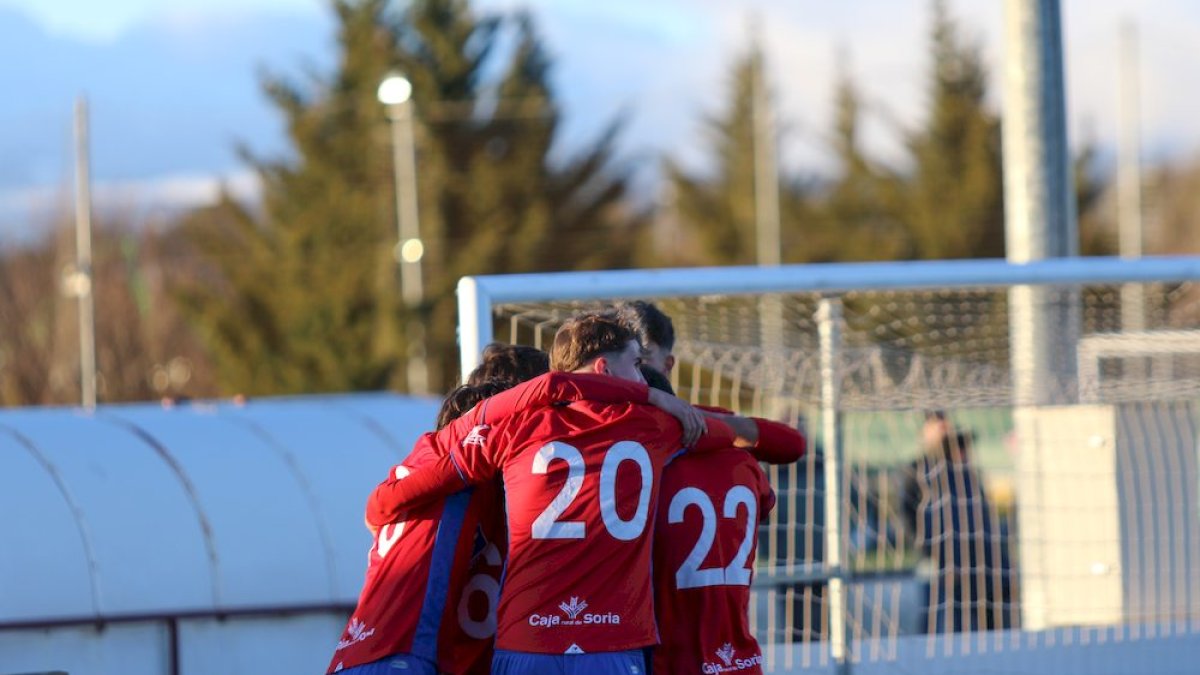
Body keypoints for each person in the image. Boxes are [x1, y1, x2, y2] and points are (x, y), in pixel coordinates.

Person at [365, 313, 738, 675]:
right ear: (603, 370)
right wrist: (661, 400)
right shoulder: (654, 424)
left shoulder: (506, 431)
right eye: (637, 365)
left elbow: (381, 503)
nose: (643, 379)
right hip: (609, 641)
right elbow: (761, 439)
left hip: (522, 644)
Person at [620, 301, 807, 673]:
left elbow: (792, 444)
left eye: (641, 361)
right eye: (623, 363)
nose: (633, 375)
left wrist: (688, 419)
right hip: (735, 659)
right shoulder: (618, 444)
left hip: (672, 660)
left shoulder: (708, 431)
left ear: (666, 365)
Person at [902, 412, 1008, 633]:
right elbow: (909, 515)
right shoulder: (918, 470)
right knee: (936, 614)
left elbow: (982, 516)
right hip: (937, 559)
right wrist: (930, 552)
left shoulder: (966, 475)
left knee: (981, 612)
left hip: (974, 560)